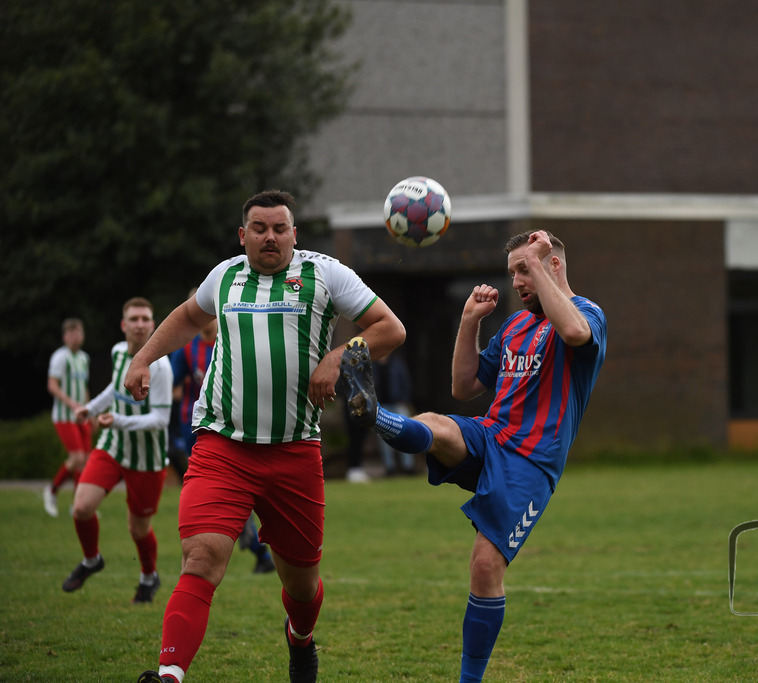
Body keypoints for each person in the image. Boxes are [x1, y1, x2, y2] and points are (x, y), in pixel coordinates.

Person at [129, 190, 405, 683]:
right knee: (203, 556)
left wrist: (337, 357)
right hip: (222, 446)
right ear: (244, 236)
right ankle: (170, 674)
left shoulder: (325, 274)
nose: (270, 237)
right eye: (259, 228)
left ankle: (299, 637)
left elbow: (390, 328)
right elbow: (190, 317)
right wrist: (143, 358)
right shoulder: (226, 275)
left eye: (280, 228)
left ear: (294, 234)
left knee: (301, 585)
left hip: (295, 451)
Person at [339, 229, 606, 682]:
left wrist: (539, 269)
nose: (517, 282)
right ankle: (375, 417)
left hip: (531, 463)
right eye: (514, 272)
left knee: (484, 566)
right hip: (490, 435)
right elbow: (464, 388)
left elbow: (576, 333)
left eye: (526, 269)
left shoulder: (586, 314)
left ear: (553, 265)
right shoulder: (517, 325)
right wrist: (469, 321)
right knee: (436, 422)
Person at [61, 298, 173, 605]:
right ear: (124, 325)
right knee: (81, 507)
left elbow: (161, 419)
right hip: (113, 447)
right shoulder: (117, 352)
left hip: (147, 460)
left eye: (145, 319)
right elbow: (115, 387)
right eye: (134, 319)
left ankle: (149, 577)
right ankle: (91, 560)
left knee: (138, 529)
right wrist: (91, 408)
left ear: (153, 325)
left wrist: (118, 420)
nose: (139, 324)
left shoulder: (160, 365)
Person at [169, 305, 275, 573]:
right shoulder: (186, 349)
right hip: (193, 428)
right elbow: (173, 385)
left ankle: (253, 542)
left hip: (230, 427)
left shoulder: (233, 341)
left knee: (232, 489)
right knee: (213, 491)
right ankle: (254, 547)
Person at [44, 318, 93, 517]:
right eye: (71, 333)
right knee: (77, 458)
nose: (75, 337)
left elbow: (84, 388)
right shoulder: (60, 357)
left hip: (81, 416)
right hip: (65, 416)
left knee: (86, 460)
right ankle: (52, 490)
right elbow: (52, 385)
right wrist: (72, 403)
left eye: (78, 333)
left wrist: (90, 411)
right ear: (65, 337)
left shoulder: (84, 358)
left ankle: (77, 504)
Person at [373, 352, 417, 476]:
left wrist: (404, 398)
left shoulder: (397, 363)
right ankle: (389, 467)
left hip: (398, 403)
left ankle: (408, 466)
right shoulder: (373, 365)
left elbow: (405, 382)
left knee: (406, 434)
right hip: (381, 406)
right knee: (384, 438)